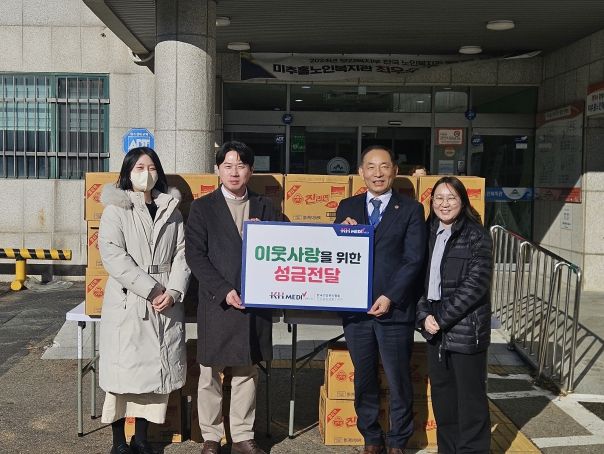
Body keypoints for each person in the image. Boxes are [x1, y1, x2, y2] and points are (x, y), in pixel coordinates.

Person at [185, 141, 279, 454]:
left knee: (246, 370)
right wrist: (224, 289)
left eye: (241, 165)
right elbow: (195, 256)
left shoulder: (265, 206)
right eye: (228, 166)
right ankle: (211, 436)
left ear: (251, 170)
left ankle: (241, 436)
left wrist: (268, 232)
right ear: (217, 170)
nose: (234, 172)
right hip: (218, 302)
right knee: (209, 372)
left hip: (253, 303)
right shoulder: (202, 207)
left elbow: (289, 244)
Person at [98, 147, 191, 454]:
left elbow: (182, 255)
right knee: (122, 375)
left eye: (151, 167)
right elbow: (114, 256)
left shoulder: (171, 210)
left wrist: (173, 292)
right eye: (139, 167)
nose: (146, 173)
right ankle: (118, 442)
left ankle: (141, 438)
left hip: (165, 300)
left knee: (152, 378)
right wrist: (152, 290)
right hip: (130, 300)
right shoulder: (116, 210)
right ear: (127, 172)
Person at [335, 145, 426, 454]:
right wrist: (339, 233)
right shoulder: (347, 207)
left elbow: (414, 260)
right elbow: (336, 255)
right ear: (361, 172)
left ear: (394, 171)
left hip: (394, 311)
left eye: (384, 166)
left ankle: (398, 440)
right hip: (356, 312)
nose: (378, 173)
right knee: (364, 379)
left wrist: (390, 296)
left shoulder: (411, 209)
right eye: (371, 167)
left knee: (399, 380)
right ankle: (371, 437)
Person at [416, 176, 493, 453]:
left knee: (470, 401)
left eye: (451, 198)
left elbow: (476, 285)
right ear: (431, 201)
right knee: (444, 399)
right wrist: (423, 315)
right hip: (435, 329)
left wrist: (441, 318)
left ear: (463, 201)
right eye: (439, 198)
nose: (444, 204)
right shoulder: (427, 232)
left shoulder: (476, 235)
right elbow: (418, 280)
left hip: (465, 329)